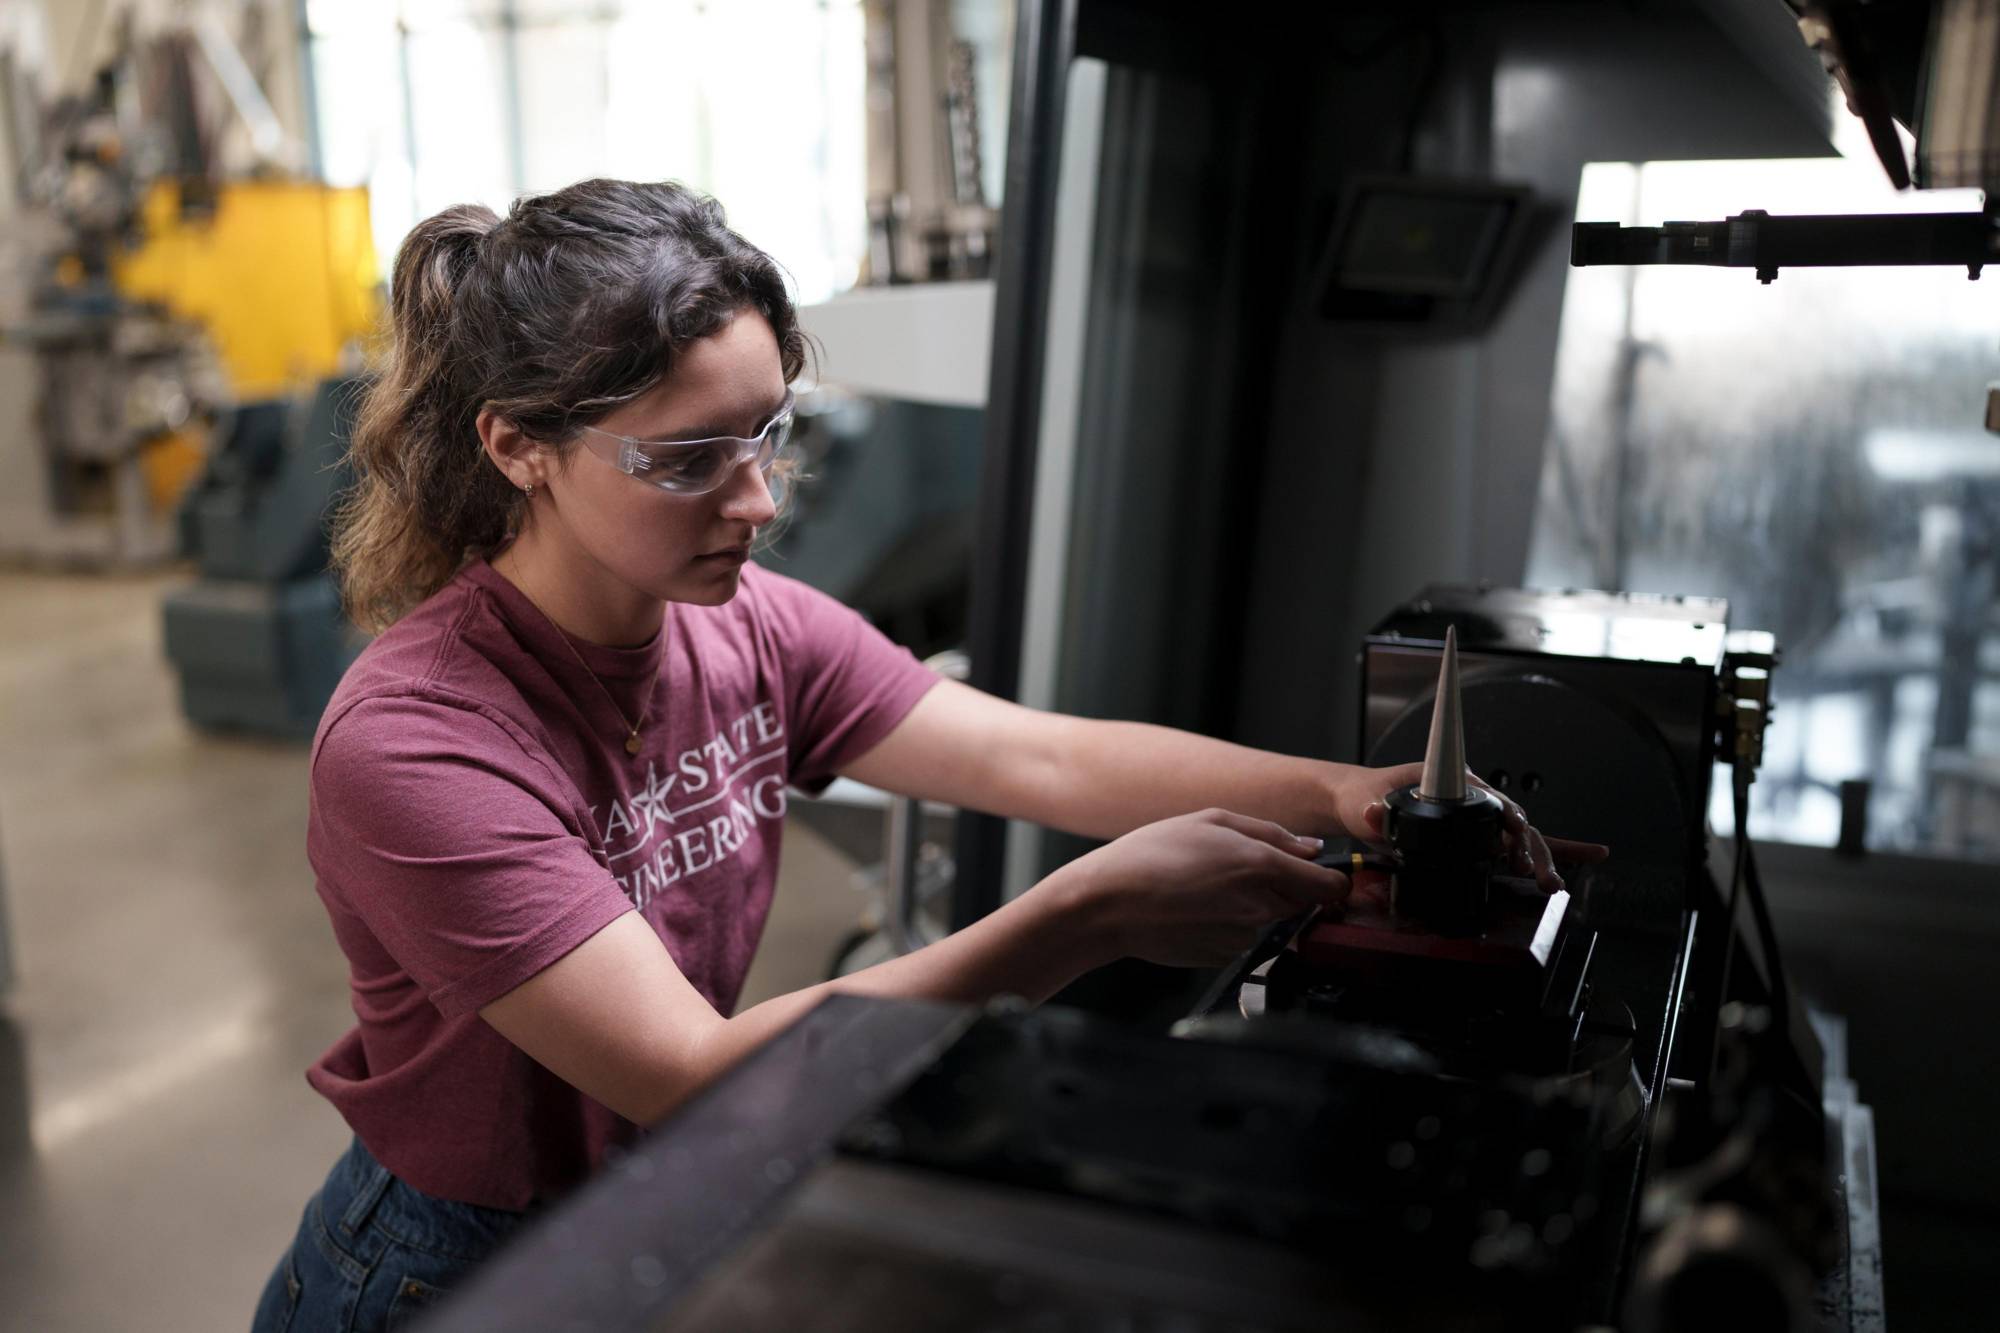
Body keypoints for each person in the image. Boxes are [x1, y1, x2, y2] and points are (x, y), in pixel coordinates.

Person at [250, 178, 1583, 1332]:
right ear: (518, 447)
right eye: (690, 458)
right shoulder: (418, 738)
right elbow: (685, 1068)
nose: (759, 501)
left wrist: (1339, 790)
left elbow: (1041, 760)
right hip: (448, 1267)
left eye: (769, 431)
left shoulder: (745, 628)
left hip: (669, 1188)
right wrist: (1092, 910)